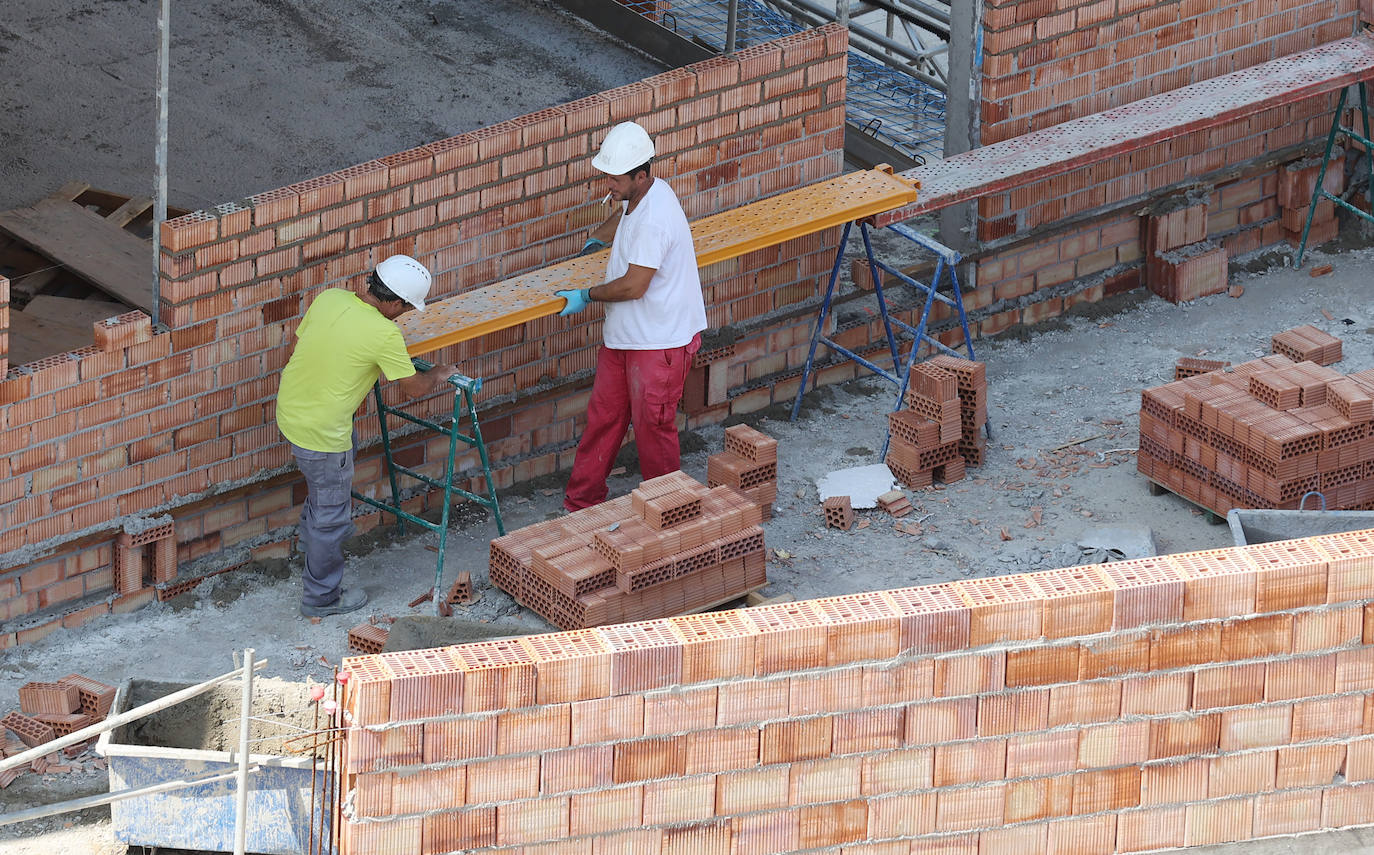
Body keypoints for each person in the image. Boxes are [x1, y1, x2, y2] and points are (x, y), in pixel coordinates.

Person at [276, 255, 458, 617]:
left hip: (292, 412)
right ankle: (320, 599)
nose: (404, 314)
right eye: (405, 308)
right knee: (332, 517)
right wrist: (437, 373)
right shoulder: (385, 334)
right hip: (323, 435)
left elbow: (302, 348)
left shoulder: (330, 298)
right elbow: (412, 388)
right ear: (394, 303)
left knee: (322, 498)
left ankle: (313, 557)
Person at [554, 121, 708, 512]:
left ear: (641, 174)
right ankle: (581, 505)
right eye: (606, 175)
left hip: (660, 344)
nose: (608, 183)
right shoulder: (637, 194)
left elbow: (633, 285)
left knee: (653, 430)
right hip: (625, 338)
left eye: (614, 177)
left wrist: (586, 295)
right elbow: (621, 215)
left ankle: (668, 511)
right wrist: (598, 238)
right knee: (603, 420)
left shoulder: (656, 218)